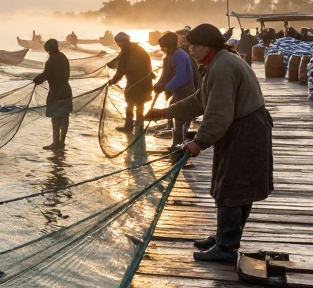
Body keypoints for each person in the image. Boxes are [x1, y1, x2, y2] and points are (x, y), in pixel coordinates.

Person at [145, 23, 274, 263]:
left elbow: (218, 114)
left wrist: (199, 143)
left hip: (246, 130)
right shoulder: (218, 62)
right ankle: (223, 237)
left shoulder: (223, 67)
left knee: (232, 189)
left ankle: (227, 248)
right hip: (240, 128)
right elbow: (201, 99)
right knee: (229, 185)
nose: (190, 49)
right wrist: (166, 112)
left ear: (206, 46)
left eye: (193, 45)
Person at [153, 32, 197, 150]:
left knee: (182, 119)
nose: (162, 49)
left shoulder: (180, 56)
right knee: (175, 117)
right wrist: (158, 85)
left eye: (164, 46)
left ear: (171, 45)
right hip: (176, 92)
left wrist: (166, 87)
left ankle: (179, 145)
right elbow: (165, 75)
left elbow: (180, 77)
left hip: (186, 91)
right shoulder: (167, 57)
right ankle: (176, 144)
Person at [106, 31, 155, 131]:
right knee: (139, 105)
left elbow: (122, 68)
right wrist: (109, 64)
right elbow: (118, 61)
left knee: (131, 104)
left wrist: (113, 81)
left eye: (118, 43)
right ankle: (139, 127)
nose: (118, 45)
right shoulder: (136, 48)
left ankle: (129, 127)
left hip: (136, 83)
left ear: (123, 41)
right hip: (145, 82)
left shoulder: (128, 50)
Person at [31, 39, 72, 150]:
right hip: (66, 90)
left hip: (56, 93)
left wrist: (36, 80)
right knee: (64, 118)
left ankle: (55, 143)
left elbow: (46, 75)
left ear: (48, 49)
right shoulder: (63, 57)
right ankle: (62, 143)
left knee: (55, 118)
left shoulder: (51, 60)